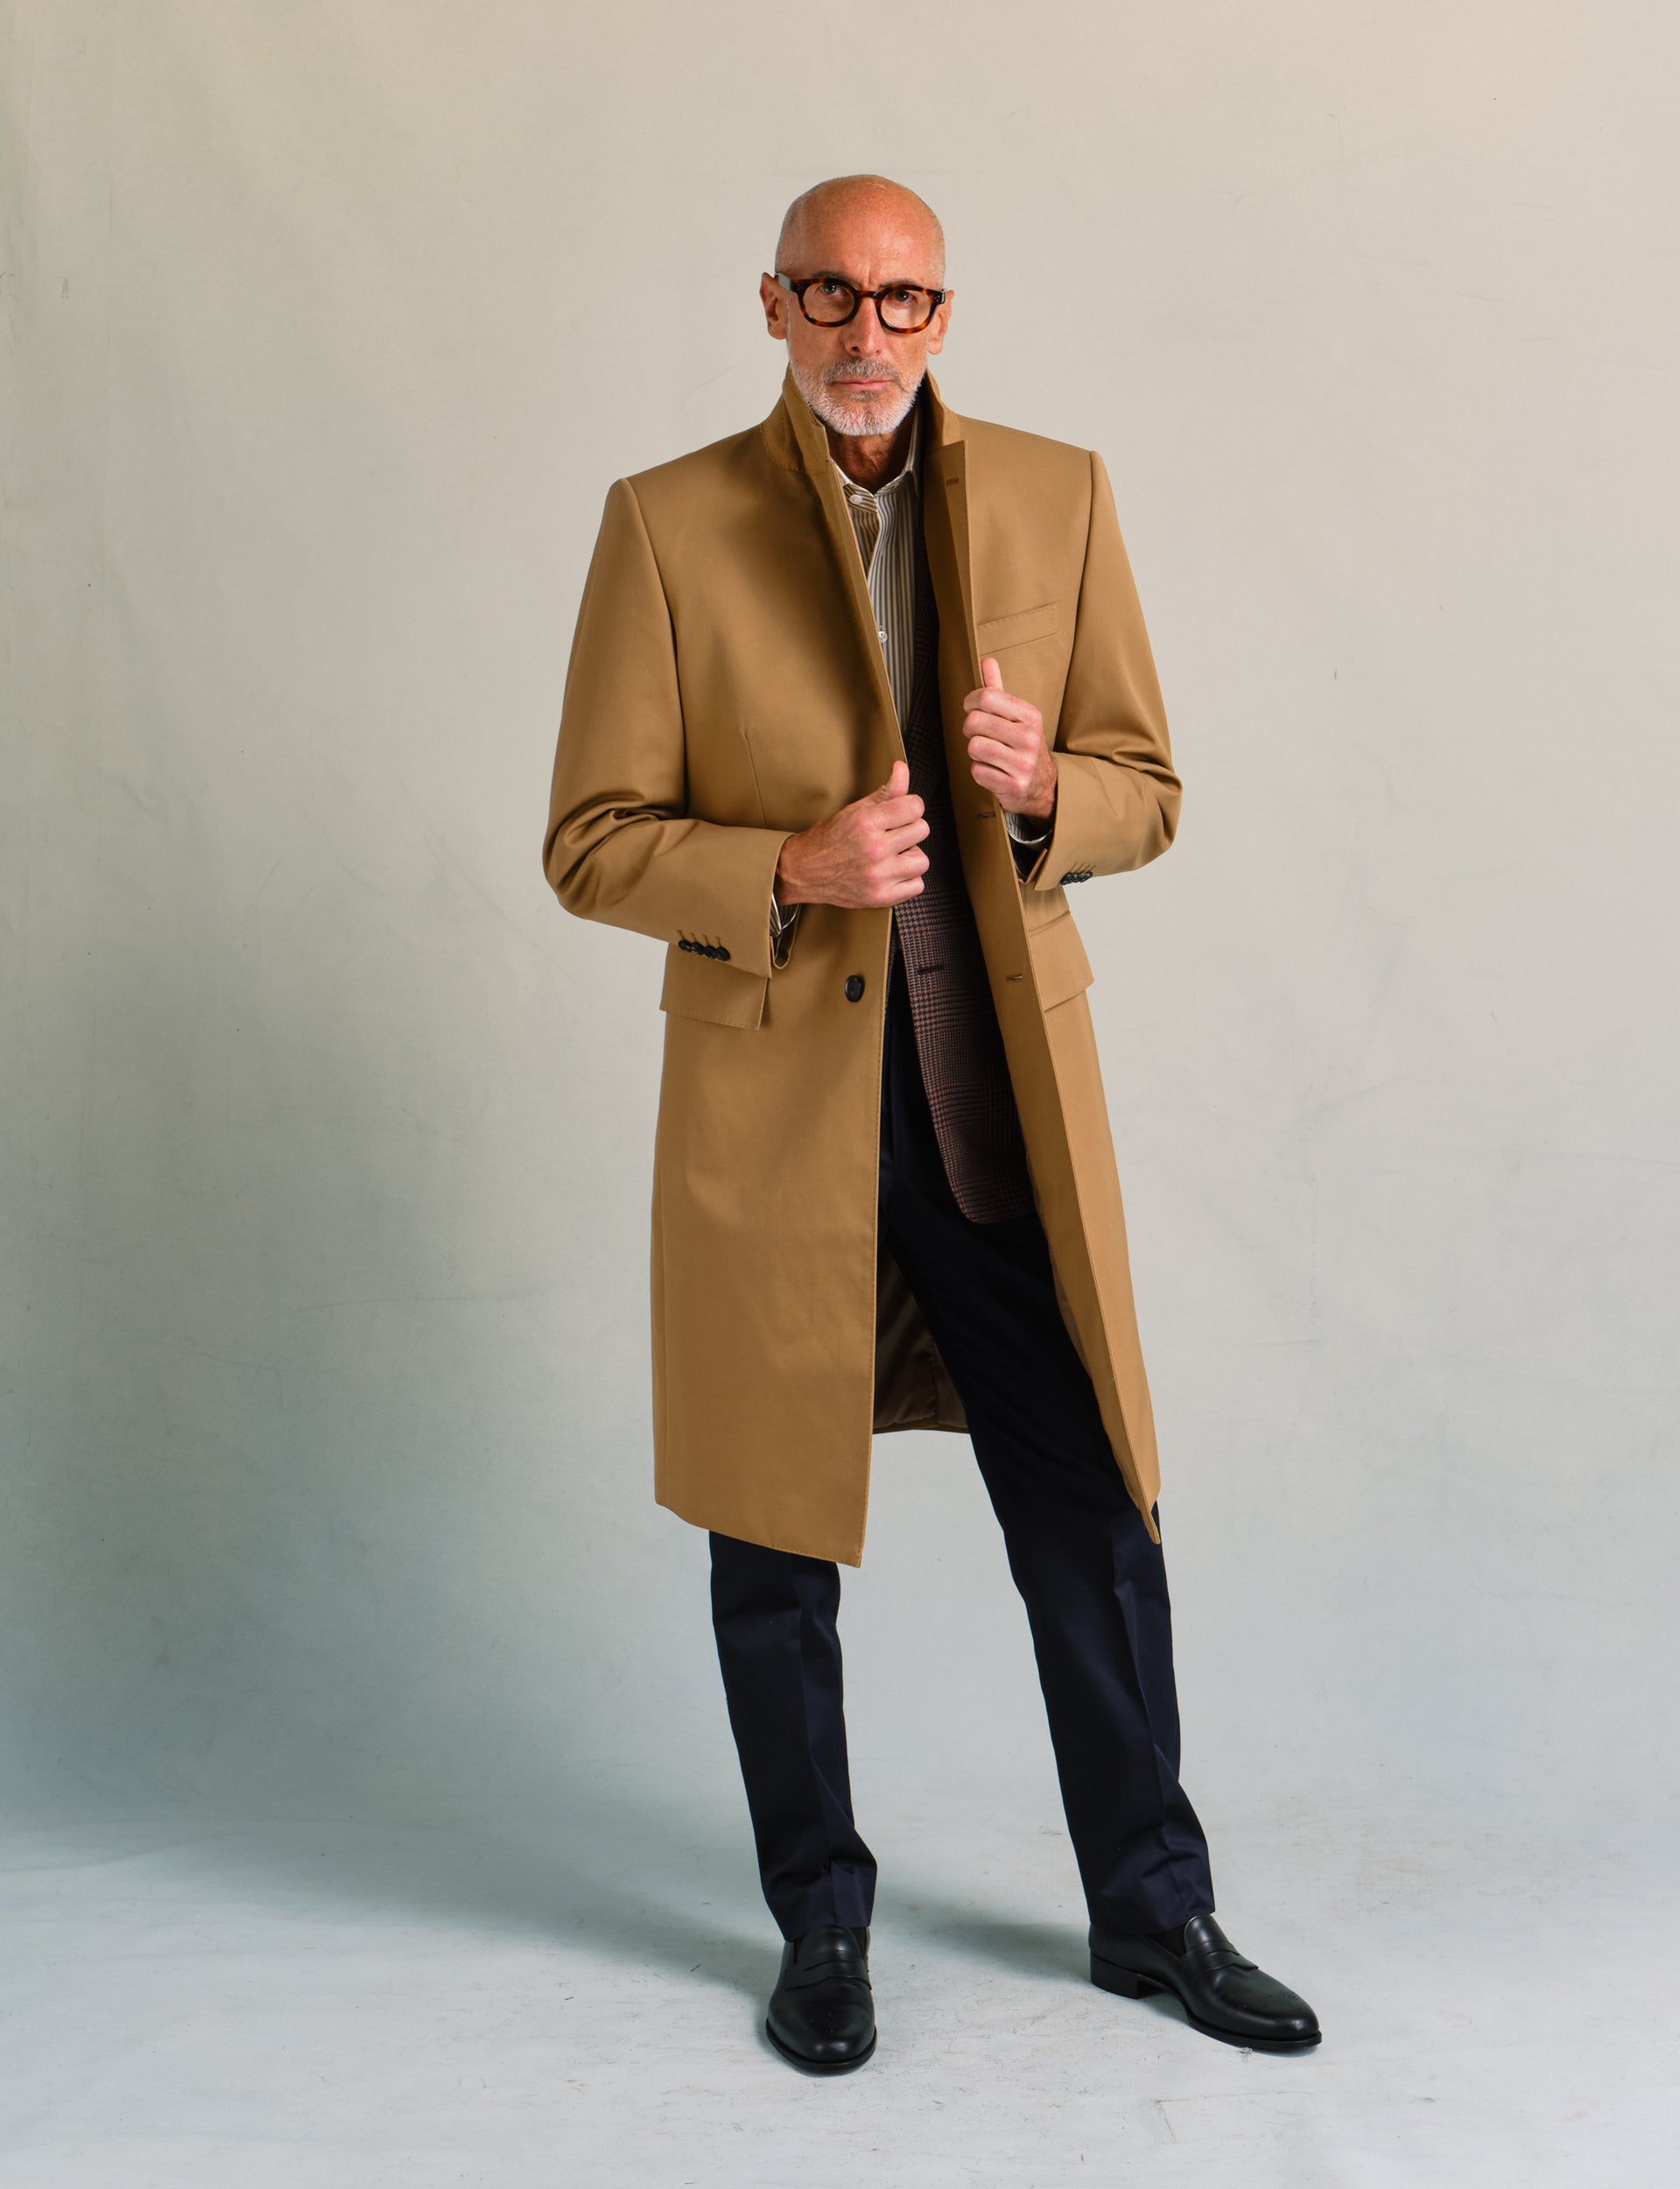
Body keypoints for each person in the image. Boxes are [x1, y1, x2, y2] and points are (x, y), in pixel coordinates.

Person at [542, 174, 1319, 2073]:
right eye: (828, 294)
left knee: (1092, 1512)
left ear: (944, 316)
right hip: (774, 1123)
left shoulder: (1059, 494)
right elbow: (589, 840)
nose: (864, 332)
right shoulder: (665, 521)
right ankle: (820, 1926)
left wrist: (1049, 789)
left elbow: (1149, 784)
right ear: (772, 305)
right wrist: (786, 866)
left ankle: (1154, 1910)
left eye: (901, 299)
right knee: (769, 1545)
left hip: (992, 1108)